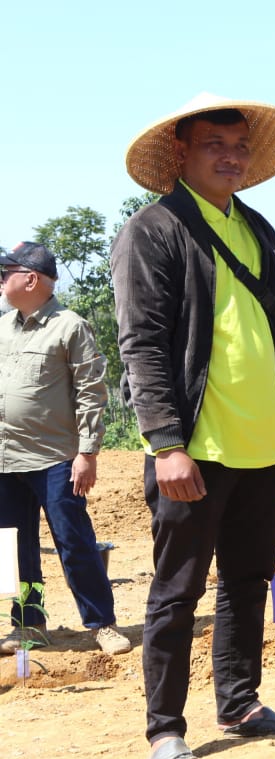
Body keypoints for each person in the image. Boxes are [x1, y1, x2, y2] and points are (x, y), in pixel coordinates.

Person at [111, 93, 275, 759]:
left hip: (263, 443)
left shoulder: (257, 229)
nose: (230, 158)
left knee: (248, 580)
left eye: (239, 147)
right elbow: (142, 345)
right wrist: (166, 443)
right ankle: (165, 731)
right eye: (214, 146)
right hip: (193, 451)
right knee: (178, 591)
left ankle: (240, 703)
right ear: (181, 153)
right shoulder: (153, 231)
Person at [0, 242, 131, 656]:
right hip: (6, 458)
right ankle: (29, 624)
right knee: (14, 548)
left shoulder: (69, 326)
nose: (0, 281)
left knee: (73, 541)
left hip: (56, 457)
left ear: (30, 279)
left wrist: (87, 453)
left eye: (5, 273)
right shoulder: (3, 328)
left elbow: (92, 391)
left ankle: (102, 623)